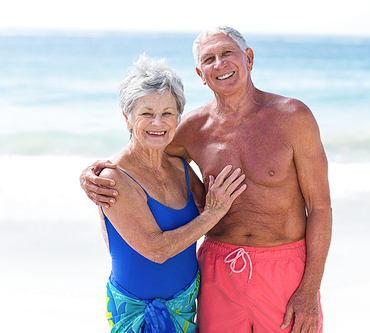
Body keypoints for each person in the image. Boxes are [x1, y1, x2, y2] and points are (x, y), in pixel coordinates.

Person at [81, 26, 332, 333]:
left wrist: (309, 289)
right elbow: (143, 154)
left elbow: (320, 208)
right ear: (201, 74)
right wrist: (94, 174)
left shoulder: (293, 117)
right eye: (209, 59)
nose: (220, 64)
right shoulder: (192, 129)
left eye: (227, 53)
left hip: (283, 266)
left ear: (249, 58)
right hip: (217, 269)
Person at [96, 55, 246, 333]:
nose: (158, 123)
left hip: (187, 304)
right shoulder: (112, 178)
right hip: (136, 312)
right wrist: (212, 214)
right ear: (127, 118)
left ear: (178, 117)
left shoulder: (181, 168)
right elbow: (157, 250)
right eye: (146, 113)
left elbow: (219, 211)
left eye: (167, 113)